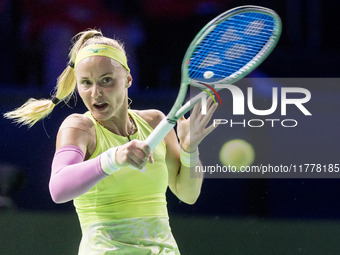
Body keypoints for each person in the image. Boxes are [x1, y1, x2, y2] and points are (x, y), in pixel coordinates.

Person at [4, 29, 218, 254]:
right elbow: (58, 189)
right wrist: (114, 158)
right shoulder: (78, 127)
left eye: (106, 80)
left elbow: (188, 194)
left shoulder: (156, 121)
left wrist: (189, 150)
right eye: (86, 83)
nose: (96, 93)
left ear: (127, 79)